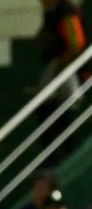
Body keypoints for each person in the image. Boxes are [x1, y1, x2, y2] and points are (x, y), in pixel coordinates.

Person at [34, 0, 89, 164]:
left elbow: (75, 42)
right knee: (50, 108)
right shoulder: (53, 13)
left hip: (65, 68)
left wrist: (63, 64)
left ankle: (62, 154)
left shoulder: (65, 10)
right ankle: (57, 153)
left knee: (56, 108)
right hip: (60, 66)